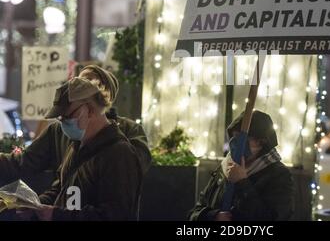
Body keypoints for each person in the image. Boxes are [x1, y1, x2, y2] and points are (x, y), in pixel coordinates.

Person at [0, 65, 151, 188]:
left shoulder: (129, 131)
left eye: (91, 85)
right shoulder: (58, 130)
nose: (79, 89)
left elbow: (133, 170)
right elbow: (26, 162)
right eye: (79, 81)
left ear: (105, 96)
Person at [30, 77, 142, 220]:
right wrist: (37, 206)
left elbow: (115, 215)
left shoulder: (119, 153)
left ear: (89, 110)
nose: (63, 122)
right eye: (60, 118)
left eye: (68, 116)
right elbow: (63, 189)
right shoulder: (76, 146)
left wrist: (56, 215)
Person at [188, 110, 294, 221]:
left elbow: (274, 218)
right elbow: (195, 212)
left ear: (261, 142)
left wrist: (242, 183)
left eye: (240, 139)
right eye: (233, 138)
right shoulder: (225, 168)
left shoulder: (278, 175)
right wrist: (213, 216)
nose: (234, 144)